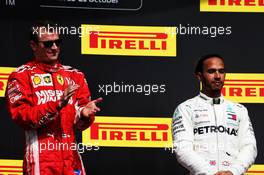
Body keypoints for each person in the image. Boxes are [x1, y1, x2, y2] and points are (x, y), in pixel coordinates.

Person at [5, 20, 102, 175]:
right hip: (40, 162)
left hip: (71, 161)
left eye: (57, 42)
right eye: (48, 44)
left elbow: (79, 124)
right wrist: (56, 104)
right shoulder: (21, 76)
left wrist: (84, 115)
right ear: (33, 46)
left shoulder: (75, 75)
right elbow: (23, 117)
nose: (55, 47)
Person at [171, 54, 257, 175]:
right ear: (199, 76)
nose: (217, 76)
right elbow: (182, 149)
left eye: (221, 71)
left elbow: (249, 147)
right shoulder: (185, 108)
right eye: (211, 71)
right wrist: (210, 173)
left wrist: (233, 171)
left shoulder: (240, 110)